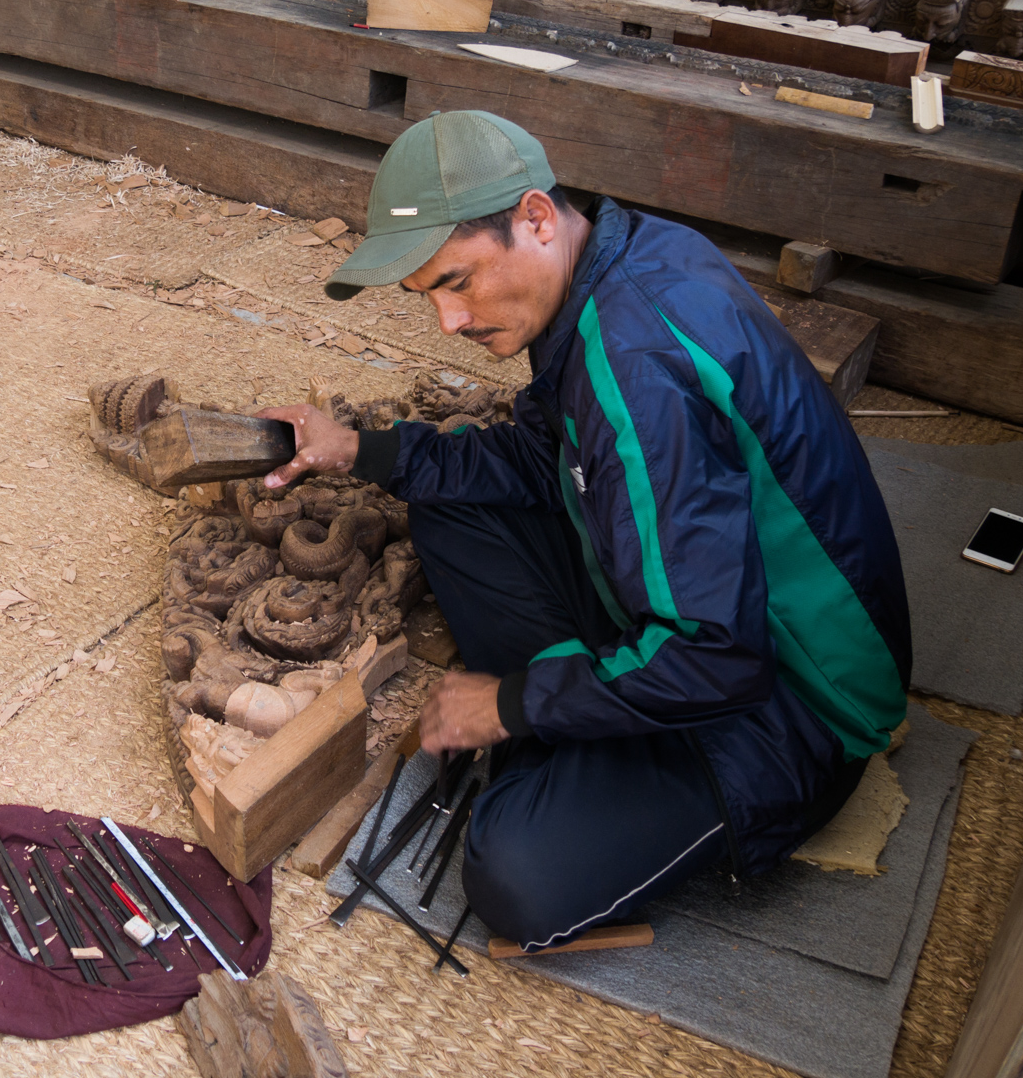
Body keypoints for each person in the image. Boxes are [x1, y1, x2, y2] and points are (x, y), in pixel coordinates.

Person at [260, 111, 911, 951]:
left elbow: (720, 656)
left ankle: (568, 755)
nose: (447, 322)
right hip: (702, 610)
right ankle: (582, 734)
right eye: (427, 295)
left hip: (793, 700)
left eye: (457, 281)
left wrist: (513, 705)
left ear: (534, 217)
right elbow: (544, 457)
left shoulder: (637, 374)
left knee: (516, 872)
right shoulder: (617, 252)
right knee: (446, 496)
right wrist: (362, 449)